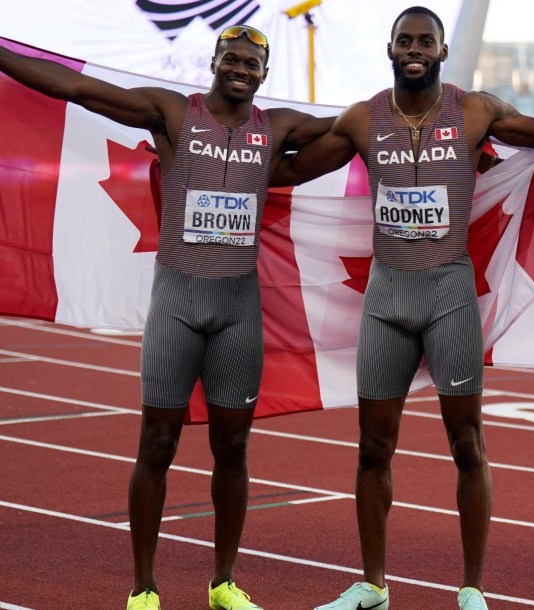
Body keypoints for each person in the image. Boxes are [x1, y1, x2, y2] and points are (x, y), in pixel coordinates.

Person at [0, 25, 334, 610]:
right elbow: (77, 88)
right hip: (178, 303)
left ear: (263, 72)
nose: (239, 68)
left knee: (234, 447)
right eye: (230, 58)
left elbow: (368, 128)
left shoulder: (277, 128)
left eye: (250, 62)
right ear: (213, 61)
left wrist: (473, 139)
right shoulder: (174, 113)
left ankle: (224, 582)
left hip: (237, 309)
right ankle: (144, 587)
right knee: (157, 442)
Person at [270, 6, 534, 610]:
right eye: (405, 40)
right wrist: (211, 161)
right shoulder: (363, 118)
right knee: (373, 446)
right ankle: (373, 585)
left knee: (467, 441)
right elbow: (289, 172)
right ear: (390, 49)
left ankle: (471, 589)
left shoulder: (477, 111)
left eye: (426, 41)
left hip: (449, 292)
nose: (415, 49)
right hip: (388, 295)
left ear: (439, 50)